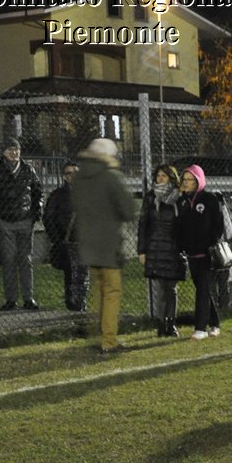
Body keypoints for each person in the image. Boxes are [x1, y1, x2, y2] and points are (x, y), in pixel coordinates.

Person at [70, 138, 136, 355]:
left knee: (99, 292)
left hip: (88, 243)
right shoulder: (110, 176)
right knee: (112, 292)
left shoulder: (80, 177)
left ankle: (98, 334)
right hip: (108, 243)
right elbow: (128, 209)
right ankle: (109, 340)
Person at [0, 138, 42, 310]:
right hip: (5, 221)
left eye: (16, 149)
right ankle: (11, 299)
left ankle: (29, 298)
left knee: (25, 260)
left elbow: (38, 192)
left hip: (25, 220)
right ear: (3, 152)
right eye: (10, 149)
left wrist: (35, 214)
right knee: (8, 260)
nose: (14, 153)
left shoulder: (28, 170)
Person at [174, 164, 226, 340]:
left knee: (202, 290)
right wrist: (180, 245)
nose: (187, 183)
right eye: (185, 179)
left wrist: (211, 244)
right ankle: (215, 323)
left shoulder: (210, 199)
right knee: (204, 290)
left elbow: (219, 226)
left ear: (199, 181)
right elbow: (180, 227)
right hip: (191, 254)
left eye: (191, 179)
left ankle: (200, 328)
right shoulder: (181, 201)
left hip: (207, 255)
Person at [137, 162, 185, 338]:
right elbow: (143, 225)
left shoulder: (179, 197)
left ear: (171, 178)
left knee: (171, 288)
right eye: (158, 176)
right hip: (155, 247)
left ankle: (171, 323)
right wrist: (142, 250)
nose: (160, 179)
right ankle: (160, 324)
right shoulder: (150, 198)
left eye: (164, 176)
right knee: (159, 289)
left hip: (173, 248)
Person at [43, 161, 88, 312]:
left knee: (83, 273)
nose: (73, 176)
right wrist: (57, 239)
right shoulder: (57, 195)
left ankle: (81, 302)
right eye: (69, 173)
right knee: (71, 273)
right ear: (64, 176)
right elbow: (48, 218)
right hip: (67, 240)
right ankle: (73, 303)